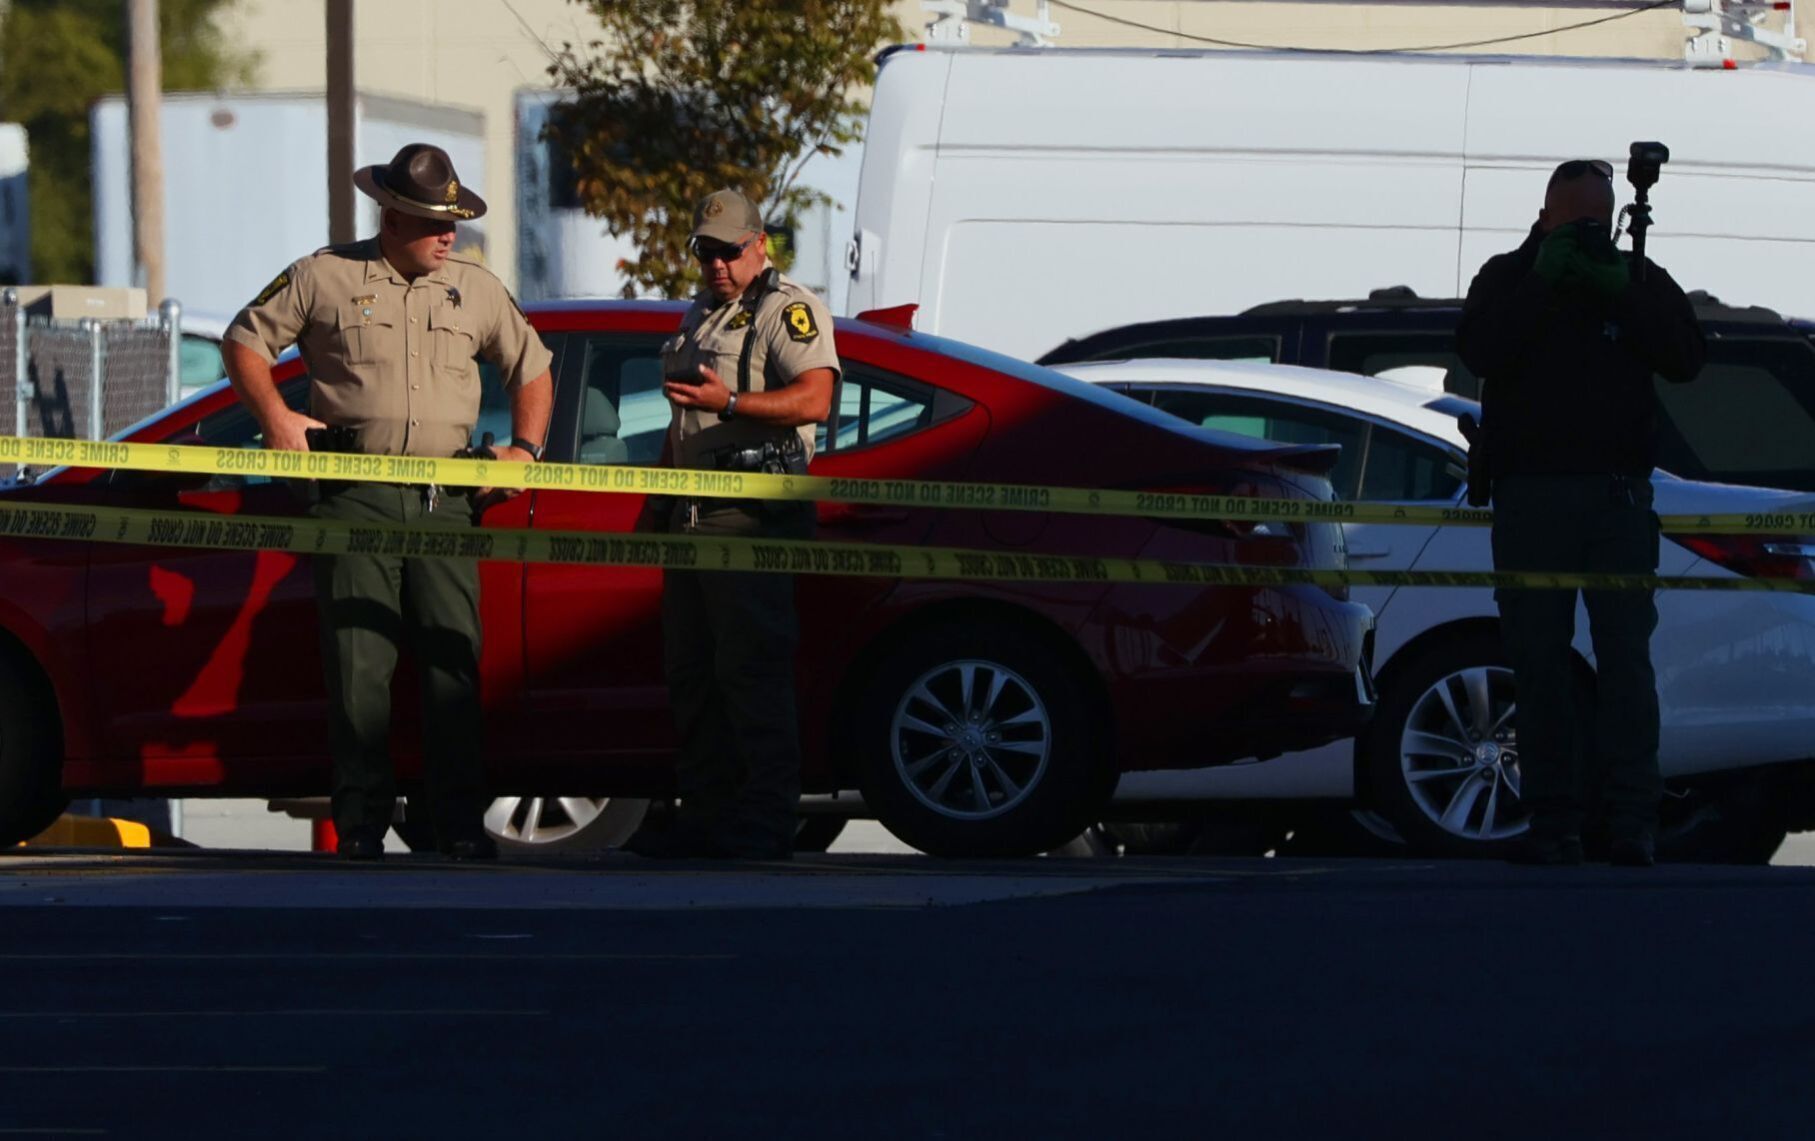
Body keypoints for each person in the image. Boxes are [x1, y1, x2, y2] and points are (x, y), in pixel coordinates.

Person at [222, 143, 553, 861]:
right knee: (357, 666)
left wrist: (524, 452)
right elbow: (244, 340)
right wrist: (277, 420)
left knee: (452, 664)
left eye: (455, 222)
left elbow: (534, 370)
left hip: (446, 498)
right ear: (393, 214)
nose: (451, 235)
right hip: (356, 497)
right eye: (438, 222)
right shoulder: (324, 275)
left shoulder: (476, 287)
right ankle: (362, 823)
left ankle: (458, 822)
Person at [1456, 157, 1705, 867]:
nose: (1587, 237)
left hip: (1615, 497)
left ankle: (1631, 819)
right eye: (1574, 225)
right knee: (1537, 664)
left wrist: (1619, 290)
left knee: (1625, 663)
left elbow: (1686, 357)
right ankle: (1551, 818)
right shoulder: (1508, 276)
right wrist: (1542, 278)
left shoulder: (1632, 278)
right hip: (1531, 497)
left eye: (1599, 223)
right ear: (1543, 218)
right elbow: (1480, 348)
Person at [625, 188, 838, 860]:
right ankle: (706, 815)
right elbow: (683, 419)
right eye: (704, 250)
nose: (715, 262)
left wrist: (735, 400)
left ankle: (766, 821)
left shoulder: (787, 310)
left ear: (759, 245)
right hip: (690, 515)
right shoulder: (701, 314)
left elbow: (817, 398)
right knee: (693, 675)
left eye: (728, 250)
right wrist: (655, 503)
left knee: (751, 673)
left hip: (748, 515)